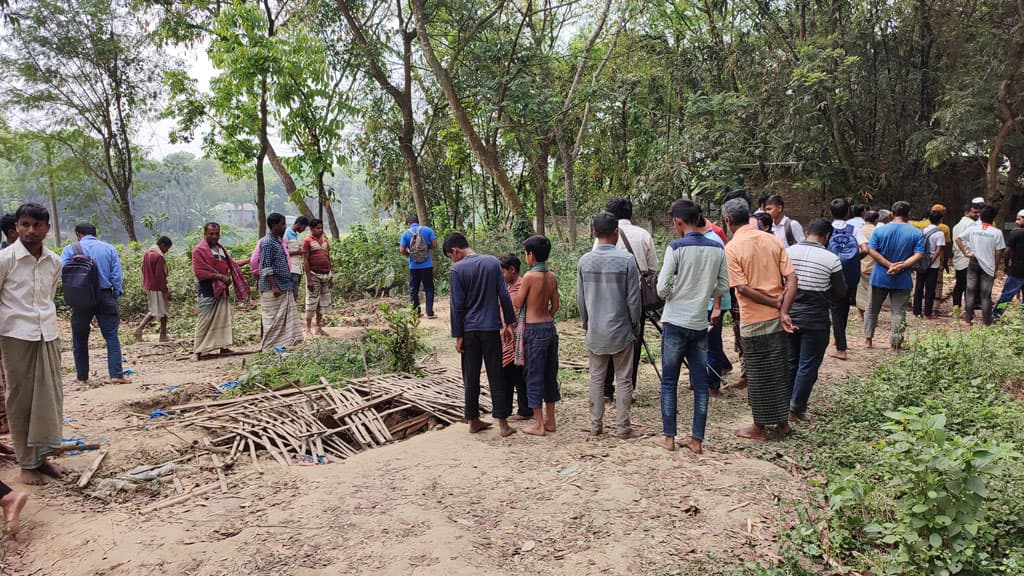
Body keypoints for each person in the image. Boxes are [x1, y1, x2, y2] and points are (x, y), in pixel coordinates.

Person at [654, 200, 729, 454]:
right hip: (699, 323)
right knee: (700, 384)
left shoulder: (675, 248)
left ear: (678, 222)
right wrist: (703, 290)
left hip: (675, 321)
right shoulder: (717, 248)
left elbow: (662, 288)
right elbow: (723, 285)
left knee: (669, 382)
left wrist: (678, 290)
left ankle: (669, 437)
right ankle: (697, 440)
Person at [0, 203, 66, 485]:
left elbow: (47, 298)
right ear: (16, 227)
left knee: (48, 399)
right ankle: (27, 463)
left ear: (47, 229)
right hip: (16, 335)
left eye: (37, 225)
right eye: (25, 225)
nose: (30, 231)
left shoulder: (55, 262)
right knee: (21, 400)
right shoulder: (6, 260)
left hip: (47, 335)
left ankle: (42, 458)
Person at [723, 198, 798, 441]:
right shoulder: (772, 239)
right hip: (777, 319)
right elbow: (792, 279)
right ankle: (782, 423)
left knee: (757, 374)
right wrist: (783, 309)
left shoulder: (733, 248)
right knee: (778, 371)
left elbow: (742, 289)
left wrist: (773, 303)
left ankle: (759, 428)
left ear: (728, 221)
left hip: (753, 318)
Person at [578, 213, 642, 439]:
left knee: (596, 377)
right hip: (621, 330)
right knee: (624, 379)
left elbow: (581, 300)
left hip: (596, 330)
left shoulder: (584, 261)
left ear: (594, 233)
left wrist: (588, 324)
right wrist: (635, 325)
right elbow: (634, 300)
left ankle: (596, 426)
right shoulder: (627, 261)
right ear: (616, 232)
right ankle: (623, 428)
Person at [444, 232, 516, 436]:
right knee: (496, 373)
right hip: (491, 328)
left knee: (471, 375)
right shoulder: (492, 262)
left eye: (451, 255)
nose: (453, 259)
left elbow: (457, 306)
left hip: (469, 331)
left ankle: (473, 420)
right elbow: (503, 294)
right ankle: (503, 424)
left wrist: (458, 336)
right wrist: (509, 323)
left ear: (455, 251)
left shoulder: (457, 269)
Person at [596, 197, 657, 402]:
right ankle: (627, 389)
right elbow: (651, 269)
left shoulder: (601, 238)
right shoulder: (643, 235)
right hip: (636, 298)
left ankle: (606, 388)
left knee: (607, 340)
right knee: (633, 342)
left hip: (607, 298)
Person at [786, 219, 847, 421]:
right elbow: (841, 291)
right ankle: (796, 408)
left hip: (790, 315)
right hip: (816, 318)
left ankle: (785, 403)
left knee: (791, 361)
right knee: (808, 363)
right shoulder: (831, 259)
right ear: (827, 236)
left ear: (806, 231)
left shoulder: (788, 252)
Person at [61, 222, 131, 385]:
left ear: (78, 234)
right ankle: (116, 375)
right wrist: (115, 294)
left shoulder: (70, 250)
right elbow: (116, 275)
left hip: (81, 298)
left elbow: (63, 272)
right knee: (111, 336)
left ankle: (82, 377)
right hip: (105, 295)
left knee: (79, 338)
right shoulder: (109, 248)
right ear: (95, 233)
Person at [514, 235, 561, 436]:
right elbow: (555, 304)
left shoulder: (529, 277)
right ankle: (551, 420)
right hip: (549, 327)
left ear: (531, 256)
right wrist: (546, 317)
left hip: (533, 329)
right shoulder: (551, 276)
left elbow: (517, 303)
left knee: (533, 375)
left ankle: (538, 424)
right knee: (550, 374)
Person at [865, 201, 925, 350]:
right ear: (909, 214)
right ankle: (895, 343)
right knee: (899, 312)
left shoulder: (879, 231)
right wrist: (901, 266)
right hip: (903, 278)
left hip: (880, 275)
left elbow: (871, 250)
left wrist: (888, 265)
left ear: (892, 213)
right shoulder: (916, 233)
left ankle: (868, 340)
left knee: (872, 309)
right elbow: (919, 254)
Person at [192, 222, 247, 361]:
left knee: (223, 318)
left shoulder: (220, 249)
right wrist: (220, 277)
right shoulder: (199, 250)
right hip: (208, 289)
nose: (214, 236)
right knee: (204, 320)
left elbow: (231, 264)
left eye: (216, 233)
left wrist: (250, 260)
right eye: (211, 233)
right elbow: (200, 272)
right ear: (205, 234)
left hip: (222, 290)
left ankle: (223, 346)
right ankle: (197, 351)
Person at [827, 198, 868, 360]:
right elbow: (866, 249)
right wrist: (855, 258)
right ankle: (839, 338)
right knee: (843, 307)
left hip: (832, 274)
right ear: (847, 212)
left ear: (830, 212)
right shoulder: (854, 229)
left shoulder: (827, 229)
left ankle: (841, 349)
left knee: (836, 309)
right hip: (851, 275)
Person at [259, 213, 304, 351]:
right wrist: (274, 286)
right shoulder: (267, 243)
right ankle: (269, 348)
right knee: (273, 321)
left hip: (284, 286)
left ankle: (281, 346)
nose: (285, 227)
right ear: (275, 226)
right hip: (273, 289)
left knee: (284, 321)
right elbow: (266, 266)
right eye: (283, 224)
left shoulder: (278, 241)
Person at [956, 205, 1005, 326]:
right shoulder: (997, 232)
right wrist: (996, 268)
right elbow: (998, 253)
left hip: (973, 262)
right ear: (993, 218)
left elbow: (958, 238)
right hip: (988, 266)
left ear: (981, 216)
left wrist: (965, 253)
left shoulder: (973, 229)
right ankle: (987, 322)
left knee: (970, 291)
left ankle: (968, 320)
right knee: (986, 295)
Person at [698, 212, 731, 394]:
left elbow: (719, 277)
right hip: (705, 301)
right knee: (703, 343)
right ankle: (705, 379)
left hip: (714, 302)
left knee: (712, 344)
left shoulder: (713, 241)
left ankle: (712, 385)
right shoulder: (702, 238)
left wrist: (716, 306)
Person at [499, 253, 531, 420]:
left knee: (517, 375)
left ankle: (525, 409)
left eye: (503, 272)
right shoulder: (508, 287)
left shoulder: (521, 286)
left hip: (517, 336)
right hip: (508, 336)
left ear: (512, 270)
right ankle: (507, 409)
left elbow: (516, 310)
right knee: (508, 374)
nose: (501, 276)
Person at [135, 236, 173, 343]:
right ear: (162, 245)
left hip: (149, 285)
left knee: (154, 310)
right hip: (157, 287)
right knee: (163, 311)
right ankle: (162, 335)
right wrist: (165, 290)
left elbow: (142, 269)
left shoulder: (147, 253)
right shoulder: (159, 256)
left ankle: (140, 330)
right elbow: (160, 276)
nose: (167, 251)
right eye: (167, 248)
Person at [399, 215, 438, 318]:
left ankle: (416, 313)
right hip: (427, 265)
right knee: (429, 288)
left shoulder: (406, 234)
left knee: (414, 289)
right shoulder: (427, 230)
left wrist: (410, 255)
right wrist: (426, 250)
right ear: (418, 222)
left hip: (413, 266)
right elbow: (434, 244)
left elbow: (402, 250)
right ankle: (429, 313)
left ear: (408, 224)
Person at [912, 210, 946, 318]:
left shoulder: (923, 230)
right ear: (940, 220)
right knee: (930, 288)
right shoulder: (939, 233)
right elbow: (938, 250)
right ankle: (927, 312)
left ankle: (916, 311)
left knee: (919, 286)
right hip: (933, 264)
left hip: (921, 262)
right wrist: (931, 261)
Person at [301, 219, 332, 337]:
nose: (320, 230)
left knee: (322, 302)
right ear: (312, 229)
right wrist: (308, 279)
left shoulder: (325, 241)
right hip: (314, 275)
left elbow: (328, 257)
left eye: (321, 227)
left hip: (325, 275)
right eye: (318, 228)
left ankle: (318, 327)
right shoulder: (307, 241)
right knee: (311, 301)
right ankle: (308, 329)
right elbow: (305, 261)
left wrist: (331, 276)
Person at [994, 209, 1024, 318]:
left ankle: (997, 314)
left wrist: (1006, 265)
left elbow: (1007, 251)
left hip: (1017, 270)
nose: (1016, 221)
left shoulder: (1015, 233)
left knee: (1007, 295)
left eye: (1019, 219)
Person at [952, 202, 981, 310]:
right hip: (969, 259)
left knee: (959, 285)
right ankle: (968, 310)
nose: (977, 214)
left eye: (978, 212)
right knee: (970, 287)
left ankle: (956, 307)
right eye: (974, 212)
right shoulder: (972, 225)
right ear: (966, 212)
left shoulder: (957, 226)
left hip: (959, 259)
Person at [855, 210, 880, 317]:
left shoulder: (858, 230)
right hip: (874, 265)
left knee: (860, 291)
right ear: (876, 220)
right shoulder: (878, 231)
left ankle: (860, 314)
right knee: (872, 292)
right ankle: (871, 314)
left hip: (860, 263)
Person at [285, 216, 309, 302]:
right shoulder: (287, 233)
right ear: (299, 224)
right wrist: (298, 252)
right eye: (304, 227)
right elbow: (283, 252)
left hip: (297, 268)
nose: (304, 229)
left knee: (295, 294)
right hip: (291, 268)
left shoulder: (294, 234)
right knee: (291, 295)